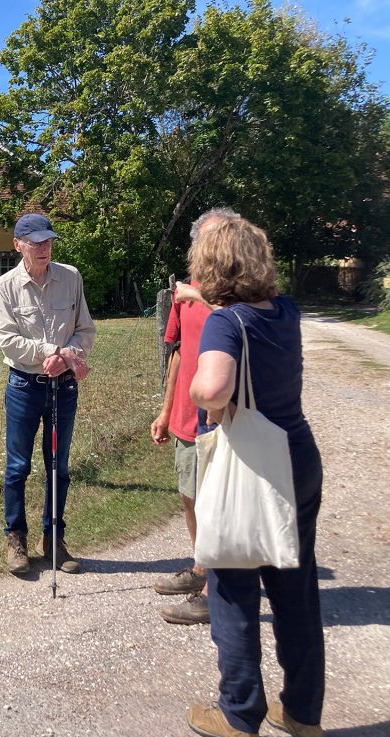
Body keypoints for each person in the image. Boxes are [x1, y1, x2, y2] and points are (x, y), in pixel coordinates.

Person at [185, 220, 325, 737]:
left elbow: (215, 388)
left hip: (250, 464)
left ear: (212, 265)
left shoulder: (226, 324)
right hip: (298, 457)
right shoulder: (284, 312)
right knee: (296, 585)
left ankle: (240, 716)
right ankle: (305, 715)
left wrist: (200, 389)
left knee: (233, 586)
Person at [150, 208, 240, 624]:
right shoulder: (187, 292)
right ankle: (202, 568)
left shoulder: (244, 290)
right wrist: (166, 411)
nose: (209, 247)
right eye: (204, 240)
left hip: (226, 419)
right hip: (188, 415)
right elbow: (179, 353)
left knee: (217, 503)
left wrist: (195, 295)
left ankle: (214, 592)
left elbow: (240, 319)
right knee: (190, 497)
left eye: (218, 238)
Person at [0, 213, 96, 576]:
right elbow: (9, 341)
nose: (43, 247)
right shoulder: (5, 286)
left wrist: (69, 356)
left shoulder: (70, 277)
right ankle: (15, 538)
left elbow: (85, 330)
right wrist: (57, 352)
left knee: (59, 466)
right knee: (17, 467)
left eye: (47, 240)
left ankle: (53, 539)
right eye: (34, 242)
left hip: (63, 387)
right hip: (24, 386)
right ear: (17, 244)